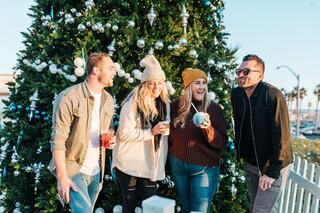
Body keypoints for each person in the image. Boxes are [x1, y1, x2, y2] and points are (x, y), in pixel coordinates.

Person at [49, 52, 116, 212]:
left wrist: (110, 138)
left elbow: (109, 128)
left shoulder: (108, 100)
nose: (114, 72)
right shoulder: (68, 97)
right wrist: (62, 177)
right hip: (72, 168)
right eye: (111, 68)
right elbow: (57, 139)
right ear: (96, 70)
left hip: (96, 171)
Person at [231, 54, 293, 212]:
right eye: (239, 71)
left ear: (260, 75)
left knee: (260, 210)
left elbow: (283, 137)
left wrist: (272, 172)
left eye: (246, 71)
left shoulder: (272, 96)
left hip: (272, 164)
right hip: (250, 163)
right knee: (254, 207)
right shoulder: (237, 95)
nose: (240, 75)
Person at [112, 55, 170, 213]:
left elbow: (167, 129)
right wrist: (150, 132)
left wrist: (167, 130)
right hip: (129, 163)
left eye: (159, 83)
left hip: (151, 165)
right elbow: (124, 133)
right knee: (129, 204)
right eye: (152, 83)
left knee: (151, 205)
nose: (156, 87)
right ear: (145, 84)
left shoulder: (165, 105)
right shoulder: (132, 103)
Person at [169, 68, 227, 213]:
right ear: (188, 86)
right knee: (186, 208)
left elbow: (222, 142)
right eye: (197, 83)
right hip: (178, 166)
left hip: (204, 169)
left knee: (199, 211)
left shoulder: (214, 109)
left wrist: (209, 129)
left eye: (204, 83)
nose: (202, 87)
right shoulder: (175, 107)